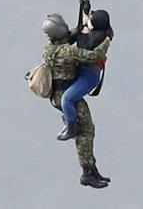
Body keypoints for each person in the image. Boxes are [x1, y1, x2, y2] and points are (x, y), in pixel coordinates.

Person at [42, 13, 113, 189]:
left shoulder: (52, 47)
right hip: (66, 95)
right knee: (85, 130)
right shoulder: (67, 51)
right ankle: (87, 172)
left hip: (59, 94)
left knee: (88, 129)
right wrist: (107, 41)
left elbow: (72, 35)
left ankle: (91, 169)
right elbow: (91, 55)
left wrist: (83, 23)